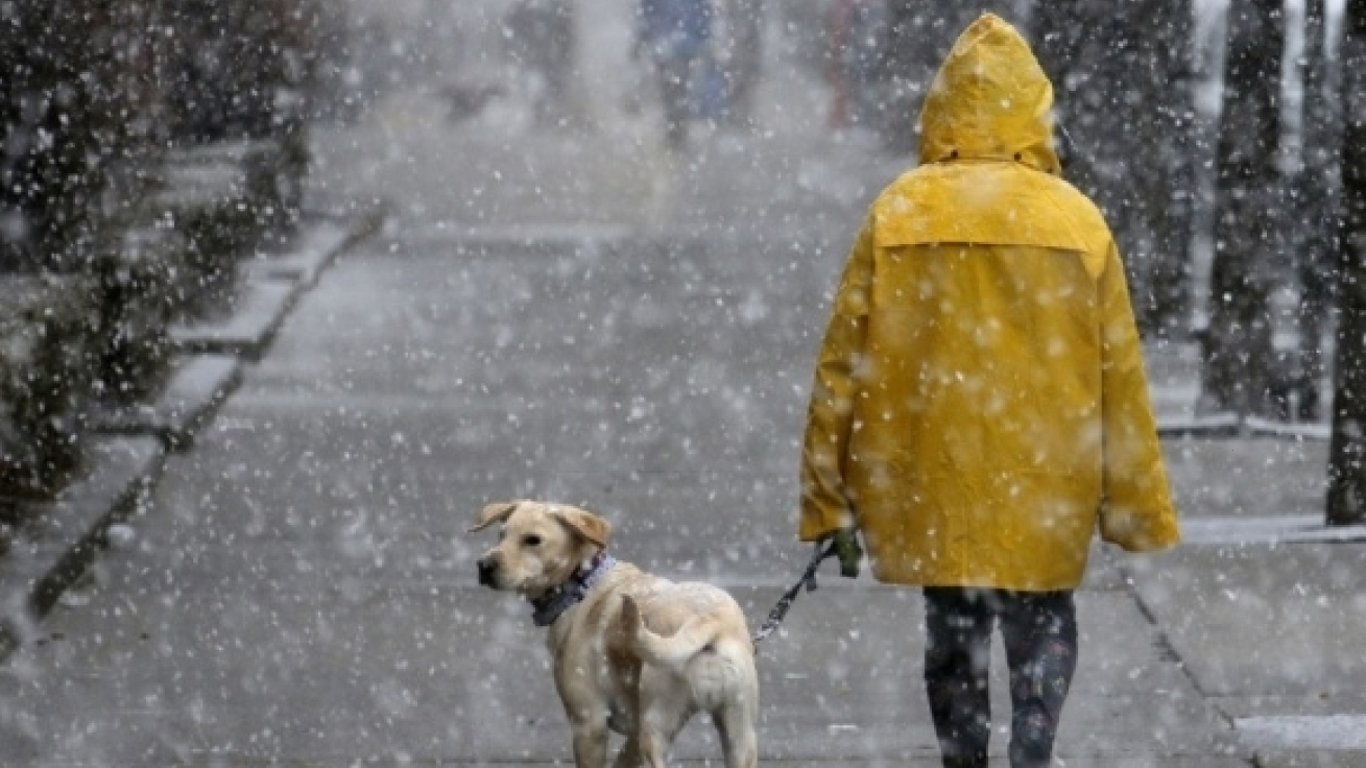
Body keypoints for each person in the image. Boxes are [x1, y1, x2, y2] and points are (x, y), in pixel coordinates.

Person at [797, 14, 1180, 768]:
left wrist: (827, 497)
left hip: (934, 476)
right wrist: (1134, 506)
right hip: (1047, 474)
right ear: (1033, 112)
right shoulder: (1076, 220)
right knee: (1043, 621)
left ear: (940, 109)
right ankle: (1033, 749)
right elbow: (1120, 376)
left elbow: (842, 368)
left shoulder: (898, 211)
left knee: (954, 632)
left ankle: (962, 756)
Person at [635, 0, 714, 151]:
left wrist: (644, 39)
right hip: (680, 48)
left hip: (671, 48)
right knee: (677, 89)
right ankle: (677, 127)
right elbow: (703, 17)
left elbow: (648, 15)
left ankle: (675, 127)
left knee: (673, 89)